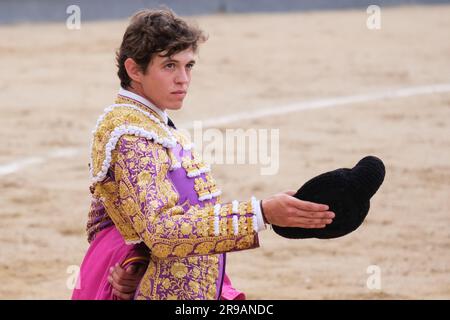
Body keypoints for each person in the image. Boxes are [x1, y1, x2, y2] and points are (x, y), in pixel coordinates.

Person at [72, 8, 335, 300]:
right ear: (134, 70)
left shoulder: (149, 124)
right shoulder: (133, 136)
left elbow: (107, 217)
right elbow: (159, 231)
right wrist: (262, 213)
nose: (183, 79)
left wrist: (134, 259)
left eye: (189, 66)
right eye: (169, 66)